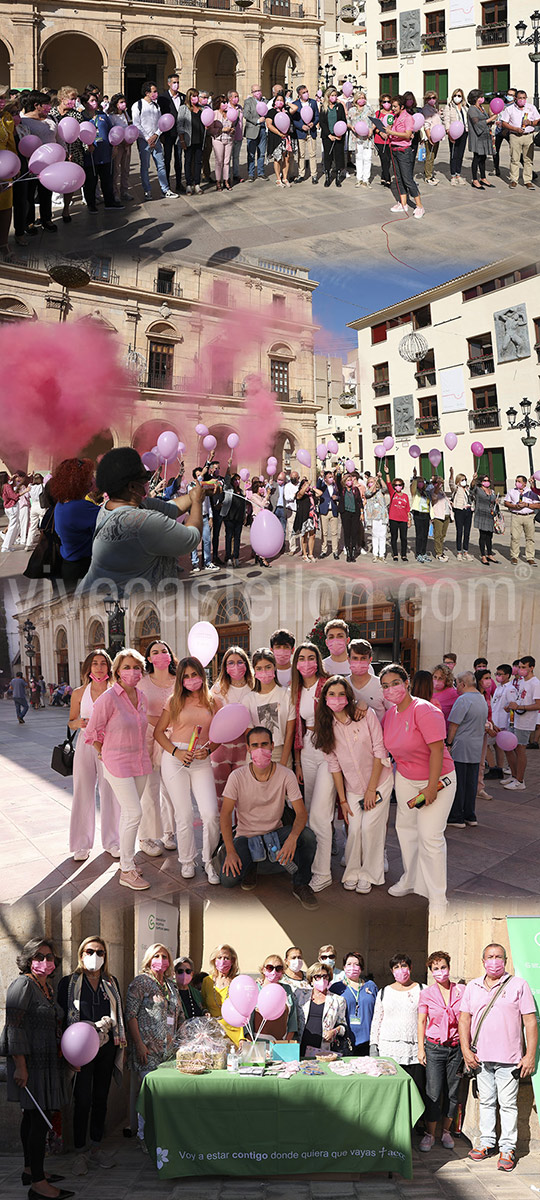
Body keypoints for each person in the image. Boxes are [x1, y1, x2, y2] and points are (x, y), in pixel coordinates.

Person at [0, 937, 73, 1200]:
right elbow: (14, 1027)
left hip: (48, 1063)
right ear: (29, 960)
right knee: (39, 1121)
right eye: (39, 957)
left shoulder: (46, 988)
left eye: (49, 957)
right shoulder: (23, 985)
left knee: (32, 1118)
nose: (45, 962)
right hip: (30, 1065)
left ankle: (30, 1170)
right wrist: (20, 1066)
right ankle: (39, 1185)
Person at [381, 663, 456, 905]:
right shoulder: (389, 715)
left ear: (406, 683)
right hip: (405, 779)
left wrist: (431, 786)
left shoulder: (424, 710)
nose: (391, 689)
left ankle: (437, 898)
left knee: (430, 837)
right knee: (406, 831)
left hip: (437, 780)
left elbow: (437, 751)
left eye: (395, 683)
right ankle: (410, 879)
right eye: (385, 686)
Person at [219, 725, 318, 909]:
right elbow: (225, 815)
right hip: (246, 837)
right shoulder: (237, 776)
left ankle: (301, 884)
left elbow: (301, 813)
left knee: (308, 837)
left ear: (273, 746)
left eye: (264, 744)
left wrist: (292, 839)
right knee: (227, 880)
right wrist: (231, 852)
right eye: (255, 745)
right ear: (247, 748)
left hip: (275, 834)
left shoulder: (285, 775)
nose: (260, 750)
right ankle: (252, 864)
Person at [459, 942, 537, 1172]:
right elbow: (464, 1020)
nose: (494, 961)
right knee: (486, 1102)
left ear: (505, 960)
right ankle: (486, 1143)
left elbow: (530, 1021)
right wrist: (466, 1050)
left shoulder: (519, 985)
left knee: (508, 1105)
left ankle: (508, 1148)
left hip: (509, 1059)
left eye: (499, 957)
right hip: (480, 1058)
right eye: (490, 957)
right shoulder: (472, 987)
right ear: (483, 961)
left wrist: (530, 1055)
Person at [79, 447, 202, 591]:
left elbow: (171, 508)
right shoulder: (142, 522)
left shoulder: (110, 506)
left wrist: (197, 493)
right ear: (132, 486)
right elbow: (192, 537)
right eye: (145, 478)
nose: (148, 482)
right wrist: (197, 502)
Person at [314, 676, 392, 893]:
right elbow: (334, 766)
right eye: (332, 694)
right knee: (354, 829)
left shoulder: (366, 716)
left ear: (348, 697)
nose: (337, 698)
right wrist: (342, 801)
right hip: (353, 788)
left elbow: (380, 751)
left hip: (379, 782)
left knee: (369, 828)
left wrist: (371, 789)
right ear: (325, 699)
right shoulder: (327, 727)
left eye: (341, 694)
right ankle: (353, 872)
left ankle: (369, 874)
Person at [84, 648, 153, 891]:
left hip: (141, 761)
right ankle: (126, 869)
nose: (132, 672)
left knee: (128, 814)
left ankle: (128, 861)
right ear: (117, 671)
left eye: (136, 667)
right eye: (126, 667)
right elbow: (92, 731)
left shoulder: (142, 697)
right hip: (117, 762)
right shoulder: (108, 698)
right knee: (134, 813)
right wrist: (102, 752)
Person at [57, 936, 125, 1176]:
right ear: (81, 954)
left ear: (105, 956)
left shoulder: (111, 982)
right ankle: (80, 1151)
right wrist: (67, 1052)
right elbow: (61, 1018)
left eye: (100, 952)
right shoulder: (69, 983)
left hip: (106, 1046)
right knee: (82, 1099)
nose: (94, 956)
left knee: (100, 1098)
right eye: (89, 951)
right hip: (80, 1048)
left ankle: (96, 1147)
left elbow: (119, 1012)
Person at [155, 656, 221, 884]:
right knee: (183, 815)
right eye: (186, 677)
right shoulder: (174, 701)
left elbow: (220, 735)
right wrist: (176, 752)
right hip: (176, 758)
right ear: (181, 680)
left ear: (202, 675)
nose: (192, 680)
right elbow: (158, 732)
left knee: (211, 814)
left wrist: (209, 749)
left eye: (195, 675)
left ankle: (210, 860)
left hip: (201, 759)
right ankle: (187, 861)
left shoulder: (214, 701)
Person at [282, 642, 333, 893]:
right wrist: (299, 762)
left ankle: (323, 873)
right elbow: (297, 728)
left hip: (329, 750)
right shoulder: (296, 688)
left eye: (311, 658)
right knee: (312, 810)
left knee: (321, 815)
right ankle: (314, 863)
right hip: (308, 750)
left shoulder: (329, 683)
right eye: (301, 658)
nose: (306, 663)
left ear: (318, 660)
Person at [68, 650, 120, 861]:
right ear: (88, 667)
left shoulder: (116, 691)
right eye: (95, 663)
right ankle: (81, 844)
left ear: (109, 668)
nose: (99, 667)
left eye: (103, 663)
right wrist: (78, 723)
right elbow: (70, 721)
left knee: (111, 792)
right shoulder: (79, 693)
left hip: (110, 745)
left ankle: (112, 841)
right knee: (83, 790)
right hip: (86, 744)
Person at [126, 944, 183, 1128]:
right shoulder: (141, 982)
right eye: (156, 956)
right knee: (149, 1095)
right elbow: (131, 1015)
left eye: (164, 956)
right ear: (149, 959)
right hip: (148, 1050)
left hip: (168, 1052)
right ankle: (145, 1137)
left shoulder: (171, 986)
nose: (161, 960)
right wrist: (139, 1044)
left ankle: (162, 1134)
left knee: (165, 1096)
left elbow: (179, 1016)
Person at [417, 951, 464, 1152]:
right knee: (433, 1092)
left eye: (443, 967)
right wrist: (421, 1049)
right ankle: (430, 1134)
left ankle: (446, 1131)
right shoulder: (426, 993)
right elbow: (421, 1021)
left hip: (456, 1048)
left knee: (452, 1092)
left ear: (449, 968)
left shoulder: (461, 991)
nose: (440, 971)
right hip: (434, 1047)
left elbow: (466, 1019)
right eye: (435, 969)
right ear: (430, 971)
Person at [369, 953, 425, 1092]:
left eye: (404, 966)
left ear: (410, 968)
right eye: (396, 967)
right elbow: (377, 1020)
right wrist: (373, 1045)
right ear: (392, 971)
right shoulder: (384, 992)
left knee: (416, 1090)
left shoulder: (423, 990)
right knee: (390, 1090)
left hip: (414, 1051)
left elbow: (427, 1020)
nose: (401, 970)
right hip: (388, 1049)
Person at [446, 670, 489, 827]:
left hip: (461, 746)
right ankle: (470, 815)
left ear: (462, 684)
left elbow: (454, 725)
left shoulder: (463, 700)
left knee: (458, 782)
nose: (456, 687)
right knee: (471, 783)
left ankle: (457, 816)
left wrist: (449, 743)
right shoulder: (481, 699)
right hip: (476, 747)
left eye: (457, 683)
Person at [210, 646, 254, 796]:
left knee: (242, 793)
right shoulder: (217, 689)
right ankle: (222, 821)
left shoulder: (254, 688)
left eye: (240, 662)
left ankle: (240, 821)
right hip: (220, 749)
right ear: (225, 667)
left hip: (244, 749)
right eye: (231, 663)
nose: (236, 666)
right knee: (220, 794)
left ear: (246, 665)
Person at [48, 458, 99, 586]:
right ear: (80, 481)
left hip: (68, 565)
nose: (93, 479)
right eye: (90, 476)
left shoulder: (62, 504)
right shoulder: (80, 507)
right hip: (82, 569)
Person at [248, 649, 295, 764]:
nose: (264, 671)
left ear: (274, 667)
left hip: (282, 751)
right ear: (254, 671)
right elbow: (248, 733)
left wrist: (284, 761)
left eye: (268, 667)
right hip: (258, 754)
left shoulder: (287, 694)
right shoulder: (248, 700)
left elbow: (290, 733)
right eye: (259, 668)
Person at [132, 81, 177, 199]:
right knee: (145, 166)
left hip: (156, 139)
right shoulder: (138, 105)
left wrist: (156, 135)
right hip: (143, 140)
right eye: (154, 91)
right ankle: (147, 190)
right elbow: (137, 124)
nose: (156, 93)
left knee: (161, 165)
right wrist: (148, 138)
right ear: (147, 92)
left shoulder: (157, 106)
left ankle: (165, 189)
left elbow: (160, 123)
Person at [382, 94, 425, 218]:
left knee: (407, 179)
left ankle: (419, 206)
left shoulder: (408, 118)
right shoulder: (395, 117)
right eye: (392, 106)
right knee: (399, 178)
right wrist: (387, 131)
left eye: (395, 106)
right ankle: (403, 203)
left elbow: (407, 134)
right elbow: (394, 133)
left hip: (403, 151)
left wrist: (391, 132)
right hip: (394, 149)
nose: (393, 108)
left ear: (401, 106)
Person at [502, 655, 540, 791]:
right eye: (520, 667)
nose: (521, 670)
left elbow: (538, 705)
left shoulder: (535, 683)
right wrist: (511, 706)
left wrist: (520, 707)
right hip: (516, 719)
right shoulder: (523, 681)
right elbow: (520, 699)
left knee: (520, 749)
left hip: (526, 722)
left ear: (531, 667)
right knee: (511, 748)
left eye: (524, 667)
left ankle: (520, 780)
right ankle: (514, 775)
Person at [297, 962, 349, 1056]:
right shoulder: (300, 995)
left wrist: (334, 1031)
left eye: (325, 976)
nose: (322, 980)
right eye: (318, 976)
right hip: (300, 1045)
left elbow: (343, 1026)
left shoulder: (338, 1000)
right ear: (311, 980)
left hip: (323, 1048)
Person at [330, 952, 378, 1055]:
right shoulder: (337, 988)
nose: (353, 967)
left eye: (356, 964)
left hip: (368, 1039)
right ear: (344, 967)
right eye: (349, 964)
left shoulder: (370, 986)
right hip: (345, 1039)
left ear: (361, 967)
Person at [200, 944, 244, 1045]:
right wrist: (205, 1011)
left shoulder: (237, 982)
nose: (223, 961)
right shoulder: (207, 981)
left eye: (226, 958)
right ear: (214, 960)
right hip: (213, 1034)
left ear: (232, 961)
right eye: (219, 957)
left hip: (235, 1034)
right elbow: (203, 1004)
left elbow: (243, 1011)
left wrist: (242, 1037)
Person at [248, 955, 298, 1041]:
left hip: (280, 1044)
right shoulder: (255, 988)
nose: (274, 971)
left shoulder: (287, 989)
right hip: (258, 1044)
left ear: (282, 971)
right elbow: (248, 1020)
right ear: (263, 970)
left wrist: (286, 1043)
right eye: (270, 968)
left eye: (278, 968)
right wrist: (251, 1042)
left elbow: (292, 1020)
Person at [500, 89, 540, 191]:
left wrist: (530, 123)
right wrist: (515, 129)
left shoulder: (531, 108)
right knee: (515, 159)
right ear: (515, 99)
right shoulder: (510, 109)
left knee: (528, 159)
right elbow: (504, 122)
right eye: (520, 98)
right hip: (515, 136)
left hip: (528, 136)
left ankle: (527, 181)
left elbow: (537, 120)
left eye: (524, 98)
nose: (522, 100)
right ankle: (514, 180)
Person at [158, 72, 185, 193]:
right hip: (168, 134)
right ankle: (166, 184)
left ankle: (179, 183)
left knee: (178, 159)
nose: (176, 84)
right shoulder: (162, 98)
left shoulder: (183, 97)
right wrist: (161, 135)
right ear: (169, 83)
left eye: (178, 82)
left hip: (180, 134)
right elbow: (160, 117)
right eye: (174, 82)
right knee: (167, 159)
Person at [504, 474, 540, 565]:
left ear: (524, 483)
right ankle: (514, 556)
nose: (517, 483)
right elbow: (506, 503)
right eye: (516, 481)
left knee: (530, 538)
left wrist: (527, 505)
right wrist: (514, 506)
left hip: (529, 516)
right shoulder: (511, 491)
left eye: (519, 481)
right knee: (515, 537)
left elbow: (538, 505)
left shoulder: (531, 492)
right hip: (516, 516)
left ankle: (530, 557)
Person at [348, 640, 385, 720]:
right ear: (348, 660)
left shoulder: (382, 685)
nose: (359, 662)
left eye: (363, 658)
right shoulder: (343, 685)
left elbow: (393, 711)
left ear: (370, 660)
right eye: (355, 658)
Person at [467, 89, 496, 190]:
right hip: (476, 137)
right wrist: (491, 119)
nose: (482, 98)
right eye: (480, 97)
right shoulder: (472, 109)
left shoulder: (481, 108)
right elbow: (477, 124)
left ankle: (483, 178)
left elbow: (485, 120)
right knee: (477, 158)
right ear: (475, 98)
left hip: (484, 136)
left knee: (483, 158)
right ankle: (475, 180)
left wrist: (491, 119)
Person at [290, 83, 319, 183]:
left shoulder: (313, 103)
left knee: (312, 154)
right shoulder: (295, 104)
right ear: (299, 94)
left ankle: (314, 175)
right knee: (301, 155)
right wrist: (301, 126)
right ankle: (301, 174)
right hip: (300, 133)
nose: (306, 94)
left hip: (312, 132)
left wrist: (313, 123)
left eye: (307, 91)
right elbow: (293, 120)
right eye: (304, 92)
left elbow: (317, 116)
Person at [319, 86, 347, 187]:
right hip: (327, 136)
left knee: (339, 156)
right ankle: (327, 177)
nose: (334, 97)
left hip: (338, 136)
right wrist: (328, 134)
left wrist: (340, 134)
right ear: (328, 96)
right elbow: (322, 122)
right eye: (332, 95)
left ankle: (338, 178)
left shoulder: (339, 106)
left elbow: (343, 120)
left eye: (335, 95)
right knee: (328, 156)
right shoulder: (323, 107)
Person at [108, 93, 133, 203]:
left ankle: (124, 191)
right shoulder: (111, 116)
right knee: (116, 170)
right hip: (117, 145)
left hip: (127, 145)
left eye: (124, 102)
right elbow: (112, 132)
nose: (124, 104)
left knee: (125, 169)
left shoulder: (126, 114)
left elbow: (129, 126)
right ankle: (115, 192)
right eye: (121, 102)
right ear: (116, 104)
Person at [265, 92, 294, 187]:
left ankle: (285, 177)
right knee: (277, 158)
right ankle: (278, 178)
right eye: (277, 100)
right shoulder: (271, 112)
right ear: (274, 102)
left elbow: (295, 108)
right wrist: (279, 133)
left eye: (281, 100)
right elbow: (269, 125)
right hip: (276, 137)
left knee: (286, 158)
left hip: (286, 137)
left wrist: (287, 104)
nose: (279, 102)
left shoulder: (286, 111)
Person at [470, 471, 499, 564]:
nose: (487, 482)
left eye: (488, 480)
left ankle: (490, 554)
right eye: (484, 480)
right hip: (481, 515)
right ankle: (483, 556)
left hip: (490, 515)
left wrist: (496, 502)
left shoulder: (492, 491)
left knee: (489, 536)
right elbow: (471, 489)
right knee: (482, 536)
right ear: (481, 482)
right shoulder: (478, 490)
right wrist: (473, 479)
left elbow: (493, 502)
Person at [384, 464, 410, 561]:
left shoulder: (405, 496)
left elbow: (407, 508)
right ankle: (395, 554)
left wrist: (409, 520)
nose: (398, 486)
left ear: (402, 486)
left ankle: (404, 555)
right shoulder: (392, 493)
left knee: (404, 538)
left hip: (403, 519)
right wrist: (387, 473)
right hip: (393, 519)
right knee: (394, 537)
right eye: (396, 485)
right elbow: (388, 483)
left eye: (400, 485)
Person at [443, 87, 468, 186]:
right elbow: (446, 120)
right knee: (454, 154)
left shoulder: (465, 107)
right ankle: (453, 175)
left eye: (459, 96)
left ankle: (458, 174)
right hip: (453, 132)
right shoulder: (449, 107)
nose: (457, 97)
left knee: (460, 154)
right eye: (455, 95)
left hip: (464, 132)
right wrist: (449, 132)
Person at [208, 96, 234, 191]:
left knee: (227, 161)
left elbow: (232, 125)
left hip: (229, 139)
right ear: (218, 104)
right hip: (218, 139)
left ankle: (226, 180)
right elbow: (210, 129)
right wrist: (222, 129)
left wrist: (232, 130)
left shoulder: (230, 113)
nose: (225, 104)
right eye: (223, 102)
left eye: (226, 102)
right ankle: (218, 181)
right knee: (219, 161)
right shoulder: (214, 114)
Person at [243, 84, 268, 182]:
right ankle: (251, 174)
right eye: (255, 91)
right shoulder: (248, 102)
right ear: (252, 93)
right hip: (252, 130)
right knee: (251, 154)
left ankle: (261, 172)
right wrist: (257, 120)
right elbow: (246, 114)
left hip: (263, 130)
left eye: (259, 90)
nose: (258, 92)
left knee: (262, 153)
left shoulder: (265, 101)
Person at [338, 472, 364, 561]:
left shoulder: (355, 489)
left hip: (355, 513)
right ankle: (348, 553)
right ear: (345, 482)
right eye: (348, 480)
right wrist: (338, 472)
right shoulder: (342, 490)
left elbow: (359, 501)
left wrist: (361, 512)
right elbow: (338, 482)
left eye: (351, 480)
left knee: (354, 533)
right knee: (347, 533)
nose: (350, 482)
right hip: (345, 513)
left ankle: (353, 552)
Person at [427, 476, 452, 563]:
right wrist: (437, 487)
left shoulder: (442, 492)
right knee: (438, 535)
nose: (439, 485)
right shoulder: (432, 491)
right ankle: (438, 553)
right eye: (437, 483)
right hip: (438, 516)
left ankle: (441, 551)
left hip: (446, 515)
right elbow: (434, 498)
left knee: (443, 535)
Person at [293, 477, 319, 561]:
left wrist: (312, 489)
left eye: (307, 485)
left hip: (312, 517)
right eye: (304, 485)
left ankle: (311, 554)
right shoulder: (299, 494)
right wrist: (306, 485)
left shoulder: (311, 494)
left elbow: (320, 493)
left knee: (312, 535)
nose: (307, 486)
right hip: (304, 517)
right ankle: (304, 554)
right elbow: (300, 495)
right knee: (304, 535)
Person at [450, 471, 474, 561]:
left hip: (468, 510)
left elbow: (473, 487)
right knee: (460, 531)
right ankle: (459, 552)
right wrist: (451, 475)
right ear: (458, 481)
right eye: (462, 480)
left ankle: (466, 552)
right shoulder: (456, 488)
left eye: (465, 479)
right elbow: (451, 484)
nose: (464, 481)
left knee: (467, 532)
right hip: (459, 511)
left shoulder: (467, 489)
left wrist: (474, 479)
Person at [364, 473, 389, 560]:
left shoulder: (380, 491)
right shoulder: (367, 493)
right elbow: (368, 493)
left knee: (382, 535)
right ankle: (375, 554)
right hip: (373, 517)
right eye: (370, 482)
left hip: (382, 516)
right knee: (375, 535)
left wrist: (380, 478)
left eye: (373, 482)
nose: (371, 483)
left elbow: (385, 488)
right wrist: (374, 482)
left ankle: (382, 554)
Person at [1, 470, 26, 552]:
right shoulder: (7, 486)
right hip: (12, 507)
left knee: (14, 526)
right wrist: (25, 491)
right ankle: (5, 546)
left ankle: (8, 545)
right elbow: (14, 496)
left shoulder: (4, 485)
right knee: (12, 527)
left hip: (9, 507)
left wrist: (12, 478)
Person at [410, 475, 431, 563]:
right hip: (418, 514)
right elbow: (412, 487)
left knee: (425, 535)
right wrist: (415, 478)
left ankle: (423, 552)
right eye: (419, 482)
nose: (421, 484)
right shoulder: (415, 492)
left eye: (422, 482)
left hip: (426, 514)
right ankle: (418, 553)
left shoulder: (425, 493)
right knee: (419, 535)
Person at [373, 93, 392, 187]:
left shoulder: (393, 114)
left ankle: (384, 176)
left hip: (390, 140)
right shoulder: (378, 113)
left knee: (388, 160)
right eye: (384, 101)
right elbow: (374, 127)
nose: (387, 103)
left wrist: (389, 133)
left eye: (388, 101)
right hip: (379, 140)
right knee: (383, 158)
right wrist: (380, 133)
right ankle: (387, 177)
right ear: (381, 103)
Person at [431, 664, 457, 731]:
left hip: (444, 731)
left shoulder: (452, 693)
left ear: (447, 680)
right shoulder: (428, 690)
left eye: (441, 678)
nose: (437, 680)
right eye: (435, 677)